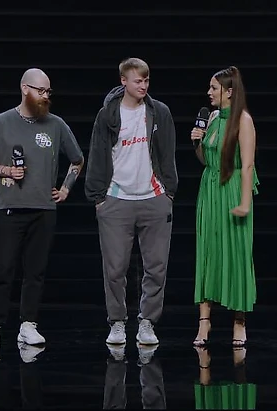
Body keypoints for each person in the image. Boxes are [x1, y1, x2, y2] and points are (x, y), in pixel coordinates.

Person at [0, 68, 84, 347]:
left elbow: (77, 159)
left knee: (35, 271)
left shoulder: (56, 125)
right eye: (40, 90)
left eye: (48, 91)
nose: (45, 96)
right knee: (3, 269)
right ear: (25, 89)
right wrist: (6, 171)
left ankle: (28, 324)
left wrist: (66, 188)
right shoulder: (1, 123)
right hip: (10, 207)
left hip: (44, 209)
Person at [85, 57, 178, 346]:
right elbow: (97, 153)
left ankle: (147, 322)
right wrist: (98, 198)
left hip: (154, 198)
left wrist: (169, 192)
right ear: (123, 81)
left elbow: (168, 152)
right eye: (138, 80)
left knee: (156, 267)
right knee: (115, 269)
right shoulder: (107, 115)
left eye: (147, 80)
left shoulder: (159, 112)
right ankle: (117, 322)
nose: (144, 86)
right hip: (116, 199)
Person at [190, 66, 259, 347]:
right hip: (209, 190)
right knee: (208, 254)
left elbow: (248, 165)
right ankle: (204, 322)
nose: (209, 92)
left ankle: (239, 321)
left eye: (214, 88)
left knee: (236, 254)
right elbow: (207, 160)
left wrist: (244, 203)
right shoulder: (213, 118)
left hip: (232, 190)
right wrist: (197, 143)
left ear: (229, 92)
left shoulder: (243, 121)